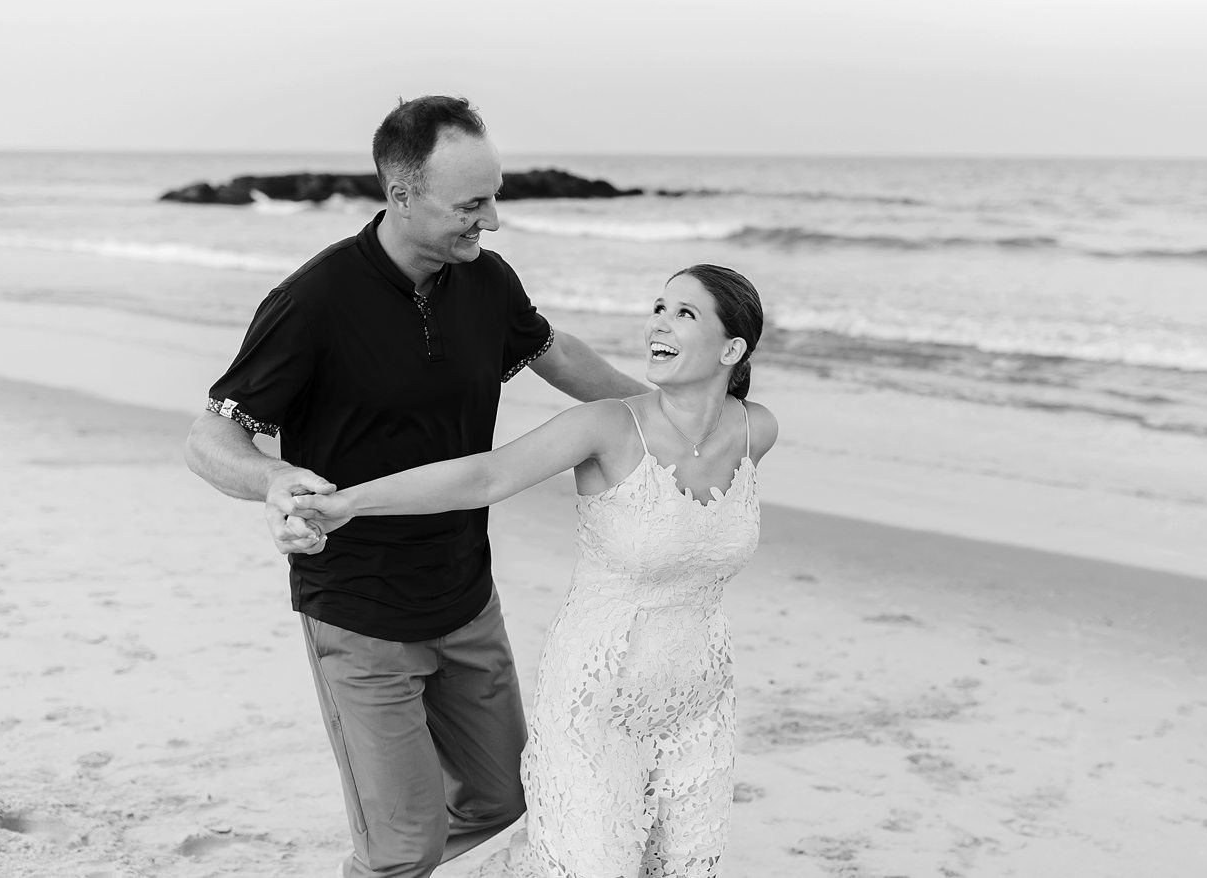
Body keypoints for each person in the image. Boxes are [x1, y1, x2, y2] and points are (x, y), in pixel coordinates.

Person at [183, 95, 647, 878]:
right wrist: (275, 479)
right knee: (400, 849)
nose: (493, 219)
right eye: (472, 203)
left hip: (467, 598)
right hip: (360, 614)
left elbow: (553, 351)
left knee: (506, 805)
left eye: (494, 196)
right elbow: (210, 439)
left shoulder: (486, 281)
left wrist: (666, 414)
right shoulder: (315, 301)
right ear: (402, 195)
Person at [286, 264, 779, 878]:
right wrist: (349, 502)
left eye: (685, 313)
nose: (659, 321)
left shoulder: (757, 429)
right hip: (599, 694)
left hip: (700, 696)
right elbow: (487, 475)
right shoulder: (605, 426)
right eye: (659, 306)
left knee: (682, 865)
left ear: (732, 347)